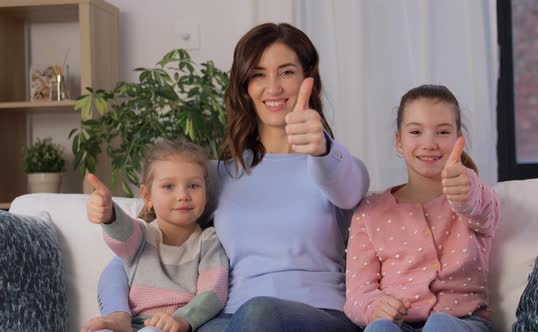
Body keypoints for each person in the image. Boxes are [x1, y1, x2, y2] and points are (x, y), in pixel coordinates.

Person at [82, 22, 370, 332]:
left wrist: (323, 148)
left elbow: (351, 192)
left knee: (260, 312)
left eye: (286, 72)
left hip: (320, 314)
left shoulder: (334, 165)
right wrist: (118, 313)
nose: (272, 88)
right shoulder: (216, 176)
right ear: (245, 87)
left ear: (307, 79)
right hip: (230, 319)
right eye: (258, 74)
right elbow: (134, 259)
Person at [344, 85, 498, 332]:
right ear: (399, 141)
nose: (429, 143)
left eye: (442, 132)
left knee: (439, 326)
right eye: (416, 131)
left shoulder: (475, 196)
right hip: (400, 326)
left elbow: (480, 209)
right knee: (378, 329)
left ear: (460, 140)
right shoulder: (369, 211)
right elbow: (357, 293)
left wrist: (466, 189)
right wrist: (374, 307)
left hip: (463, 324)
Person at [82, 139, 229, 332]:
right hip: (129, 325)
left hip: (172, 327)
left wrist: (182, 320)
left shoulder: (208, 242)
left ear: (206, 193)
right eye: (169, 186)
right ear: (147, 196)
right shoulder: (141, 234)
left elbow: (213, 293)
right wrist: (109, 214)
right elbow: (122, 232)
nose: (183, 195)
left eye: (193, 186)